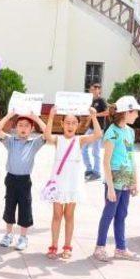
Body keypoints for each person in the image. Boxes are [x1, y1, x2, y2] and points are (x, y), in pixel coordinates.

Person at [93, 96, 140, 262]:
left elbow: (131, 158)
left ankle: (121, 248)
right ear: (127, 112)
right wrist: (110, 187)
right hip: (114, 178)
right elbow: (106, 161)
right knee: (109, 213)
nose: (137, 115)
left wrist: (134, 181)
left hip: (126, 176)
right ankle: (99, 247)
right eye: (135, 111)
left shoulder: (130, 132)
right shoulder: (112, 133)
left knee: (122, 214)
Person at [44, 106, 102, 259]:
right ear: (62, 124)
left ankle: (67, 246)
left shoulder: (80, 140)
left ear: (78, 125)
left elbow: (97, 134)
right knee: (57, 215)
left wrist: (94, 117)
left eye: (74, 123)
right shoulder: (58, 139)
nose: (70, 126)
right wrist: (51, 116)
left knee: (69, 215)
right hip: (58, 182)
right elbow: (47, 136)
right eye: (67, 122)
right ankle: (53, 245)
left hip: (72, 183)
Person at [0, 111, 47, 251]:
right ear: (15, 127)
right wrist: (8, 115)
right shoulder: (11, 141)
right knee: (9, 206)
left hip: (24, 181)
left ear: (32, 129)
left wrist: (36, 117)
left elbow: (47, 133)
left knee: (25, 208)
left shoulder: (34, 143)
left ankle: (23, 237)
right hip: (11, 179)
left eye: (27, 125)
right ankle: (8, 234)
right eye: (20, 125)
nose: (23, 128)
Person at [81, 83, 108, 181]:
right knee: (83, 148)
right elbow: (91, 115)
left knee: (95, 151)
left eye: (92, 89)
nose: (91, 91)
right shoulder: (92, 101)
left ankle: (97, 172)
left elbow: (107, 112)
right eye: (90, 90)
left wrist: (95, 115)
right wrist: (88, 122)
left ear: (98, 90)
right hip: (91, 128)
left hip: (98, 129)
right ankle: (89, 169)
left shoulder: (101, 100)